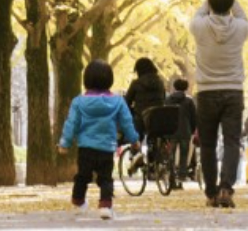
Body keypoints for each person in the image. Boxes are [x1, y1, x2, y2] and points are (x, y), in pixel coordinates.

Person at [188, 0, 248, 207]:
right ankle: (226, 188)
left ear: (210, 3)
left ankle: (211, 193)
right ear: (231, 4)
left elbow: (199, 12)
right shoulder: (241, 28)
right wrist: (230, 0)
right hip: (233, 91)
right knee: (232, 142)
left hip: (206, 92)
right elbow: (243, 15)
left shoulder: (199, 27)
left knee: (207, 144)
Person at [61, 59, 140, 220]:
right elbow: (126, 122)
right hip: (106, 147)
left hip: (85, 147)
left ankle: (78, 201)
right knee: (105, 178)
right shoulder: (118, 101)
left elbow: (72, 124)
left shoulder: (79, 102)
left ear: (86, 79)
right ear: (109, 79)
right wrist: (134, 140)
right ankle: (105, 205)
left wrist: (65, 143)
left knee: (82, 176)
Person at [124, 58, 168, 149]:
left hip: (141, 117)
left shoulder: (136, 83)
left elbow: (127, 101)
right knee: (156, 137)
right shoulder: (160, 82)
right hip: (158, 116)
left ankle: (135, 153)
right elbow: (164, 98)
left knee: (136, 137)